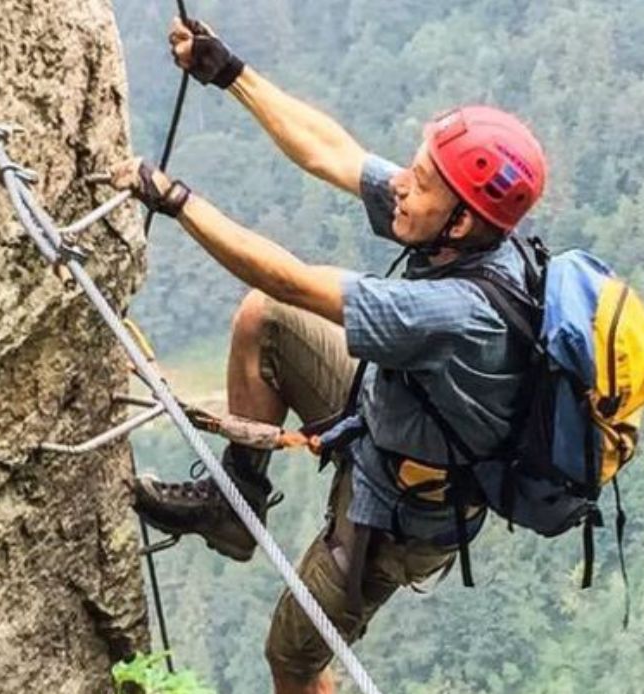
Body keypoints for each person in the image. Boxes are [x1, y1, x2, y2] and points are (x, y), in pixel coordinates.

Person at [108, 17, 548, 694]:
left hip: (400, 513)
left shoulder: (457, 313)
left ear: (459, 220)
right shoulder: (455, 231)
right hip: (388, 414)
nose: (402, 184)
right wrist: (230, 72)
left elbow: (290, 277)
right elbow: (330, 153)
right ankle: (238, 502)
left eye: (422, 183)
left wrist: (174, 200)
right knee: (269, 321)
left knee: (293, 659)